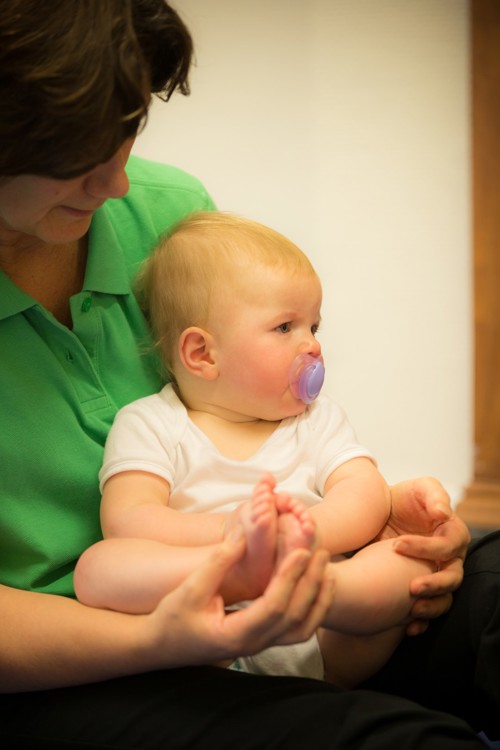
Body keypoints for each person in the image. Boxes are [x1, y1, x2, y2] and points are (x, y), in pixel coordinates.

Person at [0, 1, 497, 747]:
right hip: (81, 661)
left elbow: (337, 476)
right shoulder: (153, 432)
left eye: (127, 132)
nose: (118, 184)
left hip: (312, 614)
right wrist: (182, 620)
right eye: (74, 154)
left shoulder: (173, 218)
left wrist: (391, 524)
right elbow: (124, 539)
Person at [74, 210, 437, 688]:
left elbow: (364, 492)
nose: (311, 345)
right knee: (98, 568)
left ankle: (317, 591)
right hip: (201, 630)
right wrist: (233, 540)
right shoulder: (150, 423)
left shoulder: (315, 419)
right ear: (203, 354)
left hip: (327, 636)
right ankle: (253, 579)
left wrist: (300, 541)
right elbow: (128, 519)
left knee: (409, 558)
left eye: (314, 326)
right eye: (285, 327)